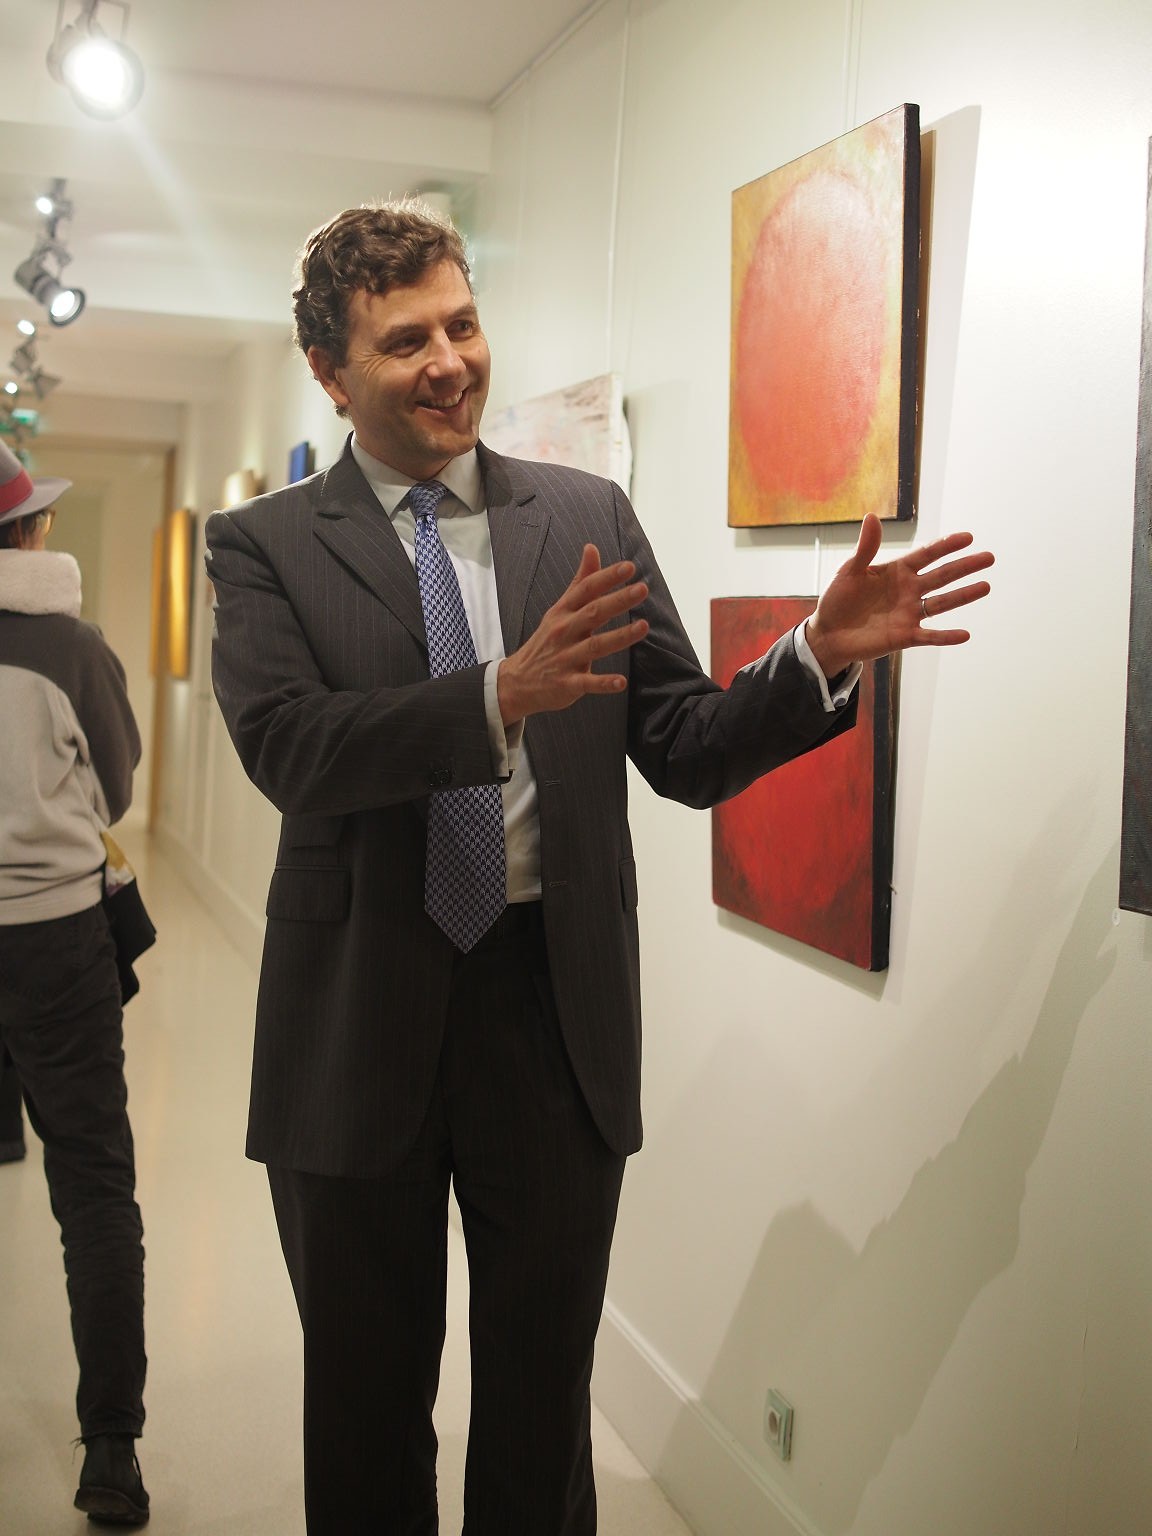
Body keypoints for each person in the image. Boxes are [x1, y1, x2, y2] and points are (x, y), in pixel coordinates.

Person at [205, 199, 993, 1535]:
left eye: (462, 324)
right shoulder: (267, 544)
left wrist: (815, 656)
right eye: (406, 342)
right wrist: (494, 698)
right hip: (355, 1019)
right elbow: (291, 748)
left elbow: (683, 743)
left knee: (540, 1411)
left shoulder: (585, 512)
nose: (450, 362)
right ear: (332, 374)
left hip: (548, 1014)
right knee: (364, 1414)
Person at [0, 439, 149, 1526]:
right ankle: (110, 1453)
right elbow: (115, 785)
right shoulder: (69, 647)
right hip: (55, 940)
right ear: (27, 534)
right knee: (93, 1192)